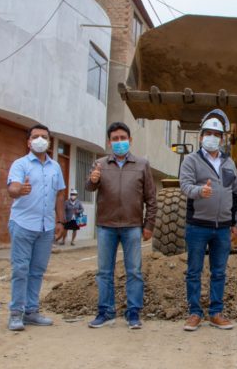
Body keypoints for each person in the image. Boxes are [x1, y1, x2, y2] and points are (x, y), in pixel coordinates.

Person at [86, 122, 157, 329]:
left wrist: (149, 225)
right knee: (104, 272)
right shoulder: (100, 163)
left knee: (134, 271)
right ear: (109, 142)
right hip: (106, 226)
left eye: (122, 138)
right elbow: (89, 187)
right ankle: (105, 311)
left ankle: (133, 312)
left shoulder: (142, 164)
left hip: (132, 226)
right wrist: (92, 179)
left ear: (130, 140)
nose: (119, 142)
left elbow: (151, 198)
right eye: (115, 139)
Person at [179, 109, 237, 331]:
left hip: (223, 229)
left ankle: (215, 313)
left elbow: (236, 194)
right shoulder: (191, 160)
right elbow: (185, 185)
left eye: (216, 133)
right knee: (194, 271)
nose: (212, 137)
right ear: (200, 136)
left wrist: (236, 223)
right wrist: (199, 191)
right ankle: (195, 313)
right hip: (197, 226)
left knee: (219, 272)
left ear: (222, 138)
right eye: (208, 133)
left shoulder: (229, 163)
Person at [6, 124, 66, 331]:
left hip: (46, 227)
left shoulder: (55, 167)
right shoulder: (20, 164)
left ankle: (31, 311)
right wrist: (19, 189)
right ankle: (16, 313)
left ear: (49, 142)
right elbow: (12, 188)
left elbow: (59, 194)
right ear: (29, 141)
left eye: (44, 137)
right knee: (21, 269)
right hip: (22, 224)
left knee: (37, 270)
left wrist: (60, 221)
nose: (40, 139)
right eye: (36, 136)